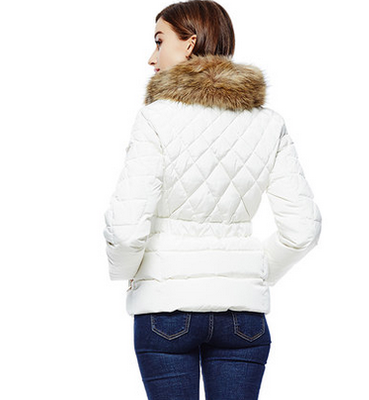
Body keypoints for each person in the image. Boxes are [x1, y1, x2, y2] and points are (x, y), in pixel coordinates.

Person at [103, 1, 322, 399]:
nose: (152, 57)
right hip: (243, 317)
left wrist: (127, 274)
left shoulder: (155, 118)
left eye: (159, 41)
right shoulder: (268, 123)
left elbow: (125, 231)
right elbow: (303, 229)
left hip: (165, 311)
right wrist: (249, 273)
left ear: (189, 44)